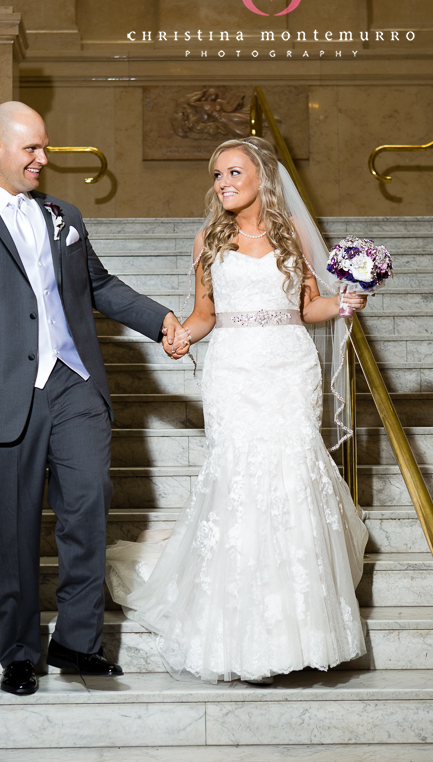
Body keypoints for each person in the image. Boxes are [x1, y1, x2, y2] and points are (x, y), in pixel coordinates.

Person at [0, 101, 187, 696]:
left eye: (45, 147)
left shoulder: (64, 214)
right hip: (0, 393)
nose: (43, 158)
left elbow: (100, 286)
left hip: (75, 383)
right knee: (10, 528)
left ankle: (78, 643)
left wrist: (160, 319)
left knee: (87, 508)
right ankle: (18, 653)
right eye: (31, 147)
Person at [105, 136, 370, 685]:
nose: (223, 182)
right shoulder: (209, 237)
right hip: (232, 370)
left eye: (233, 172)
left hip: (288, 367)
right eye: (217, 175)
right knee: (240, 480)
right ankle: (240, 634)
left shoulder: (292, 234)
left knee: (291, 475)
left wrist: (344, 303)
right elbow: (205, 313)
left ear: (261, 177)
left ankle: (298, 631)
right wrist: (180, 337)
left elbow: (307, 306)